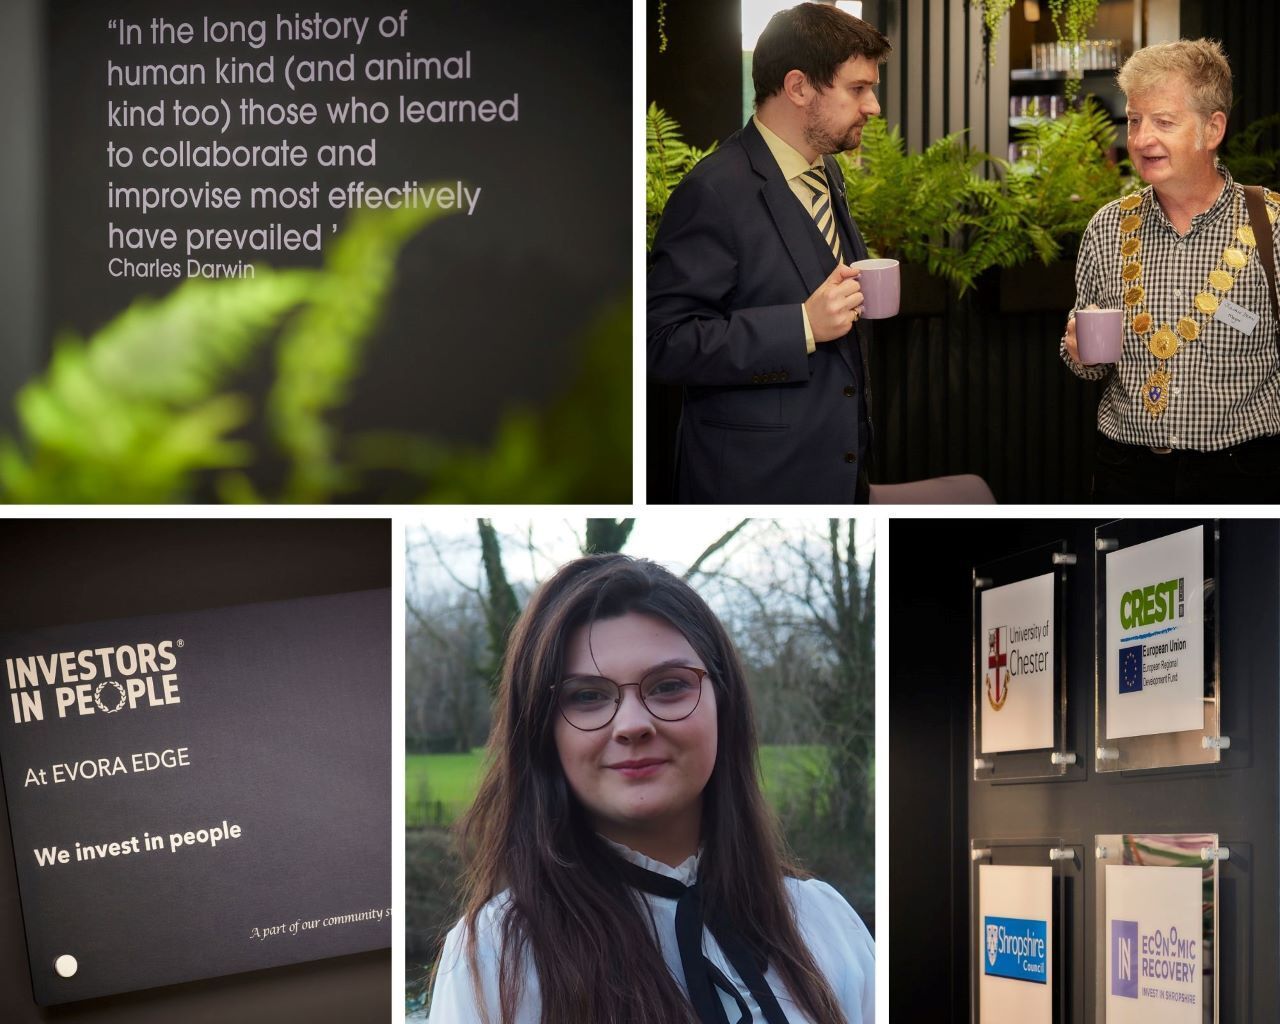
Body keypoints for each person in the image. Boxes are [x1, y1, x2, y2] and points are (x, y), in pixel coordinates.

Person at [427, 554, 874, 1024]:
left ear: (723, 703)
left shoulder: (826, 924)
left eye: (669, 686)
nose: (633, 725)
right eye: (587, 696)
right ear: (543, 729)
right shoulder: (499, 959)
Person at [647, 4, 892, 504]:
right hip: (753, 485)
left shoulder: (827, 172)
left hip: (834, 476)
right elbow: (663, 343)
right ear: (799, 87)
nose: (873, 107)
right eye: (858, 88)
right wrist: (801, 325)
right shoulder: (711, 191)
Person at [1061, 38, 1280, 501]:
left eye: (1163, 122)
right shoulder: (1107, 227)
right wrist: (1079, 353)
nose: (1141, 140)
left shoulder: (1271, 226)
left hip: (1246, 473)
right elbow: (1088, 367)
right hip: (1126, 469)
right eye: (1135, 121)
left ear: (1212, 128)